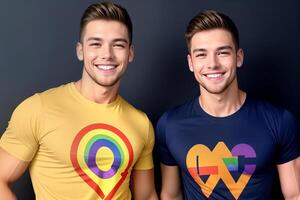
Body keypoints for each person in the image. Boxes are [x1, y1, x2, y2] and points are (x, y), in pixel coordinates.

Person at [0, 2, 158, 200]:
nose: (107, 54)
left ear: (130, 53)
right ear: (80, 51)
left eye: (118, 44)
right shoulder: (38, 109)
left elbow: (147, 195)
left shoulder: (141, 123)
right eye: (95, 44)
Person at [156, 10, 300, 200]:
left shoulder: (279, 121)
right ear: (190, 63)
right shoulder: (170, 125)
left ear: (238, 57)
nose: (212, 64)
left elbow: (295, 195)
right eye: (201, 55)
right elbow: (171, 195)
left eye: (222, 52)